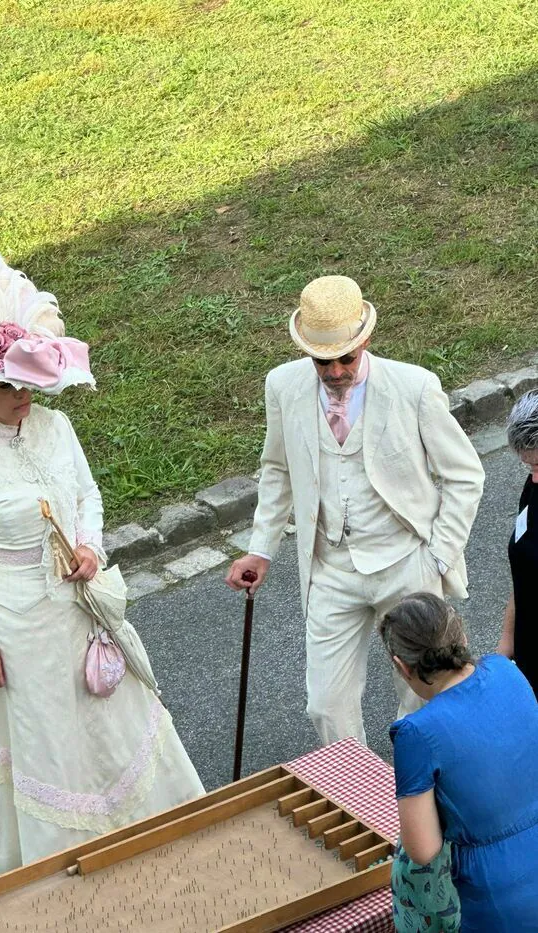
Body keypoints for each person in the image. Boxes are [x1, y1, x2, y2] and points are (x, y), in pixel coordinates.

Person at [0, 253, 203, 900]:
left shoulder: (57, 426)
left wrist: (90, 545)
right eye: (7, 386)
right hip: (14, 623)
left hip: (76, 606)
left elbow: (85, 493)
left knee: (103, 710)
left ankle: (128, 820)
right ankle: (54, 856)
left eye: (27, 382)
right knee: (40, 735)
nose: (23, 395)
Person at [226, 275, 484, 745]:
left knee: (424, 700)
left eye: (346, 358)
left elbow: (466, 475)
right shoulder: (282, 387)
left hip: (407, 562)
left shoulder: (415, 387)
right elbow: (277, 470)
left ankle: (427, 798)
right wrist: (260, 550)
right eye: (323, 361)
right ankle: (359, 801)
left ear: (365, 340)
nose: (335, 371)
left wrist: (438, 557)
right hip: (330, 570)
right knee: (325, 705)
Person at [380, 592, 538, 932]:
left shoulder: (415, 733)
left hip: (495, 900)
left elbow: (423, 849)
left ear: (402, 665)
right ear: (462, 635)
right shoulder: (506, 670)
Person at [497, 389, 538, 696]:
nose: (533, 476)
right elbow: (524, 572)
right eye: (528, 466)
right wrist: (507, 640)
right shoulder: (533, 487)